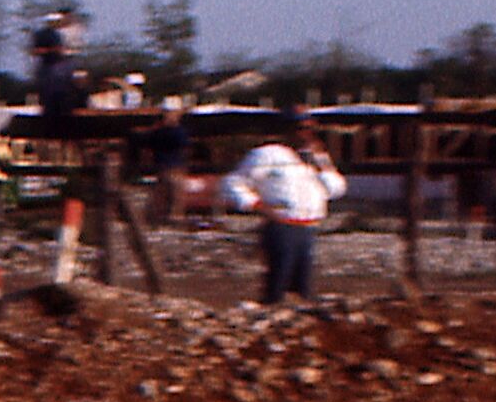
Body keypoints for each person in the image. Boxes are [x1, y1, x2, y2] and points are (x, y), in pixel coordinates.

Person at [221, 114, 347, 305]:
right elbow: (232, 183)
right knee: (278, 282)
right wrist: (256, 204)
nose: (306, 134)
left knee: (303, 285)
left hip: (308, 227)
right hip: (282, 225)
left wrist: (321, 165)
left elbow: (336, 189)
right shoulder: (268, 154)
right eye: (301, 128)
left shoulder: (315, 158)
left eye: (310, 129)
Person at [144, 100, 191, 226]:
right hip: (172, 168)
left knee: (169, 196)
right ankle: (169, 219)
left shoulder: (158, 131)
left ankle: (165, 219)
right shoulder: (177, 132)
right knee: (172, 196)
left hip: (166, 167)